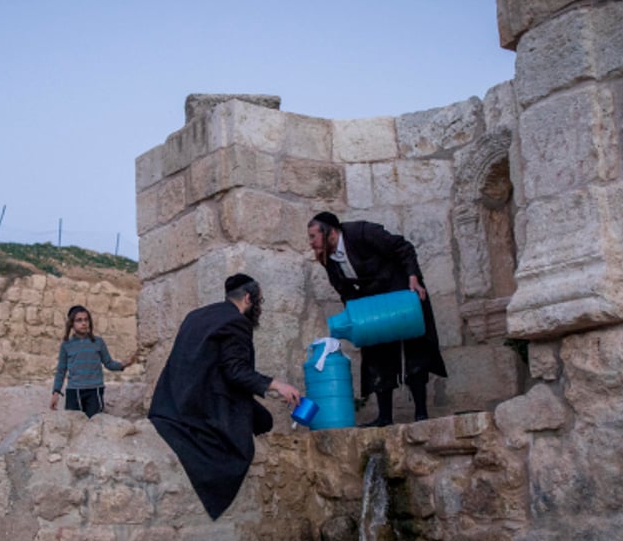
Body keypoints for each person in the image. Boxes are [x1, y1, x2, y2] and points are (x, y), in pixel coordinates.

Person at [148, 273, 301, 520]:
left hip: (172, 400)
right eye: (260, 302)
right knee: (258, 428)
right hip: (202, 404)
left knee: (262, 419)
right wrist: (276, 385)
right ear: (249, 298)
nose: (260, 308)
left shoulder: (197, 315)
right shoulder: (237, 322)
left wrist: (266, 391)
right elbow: (235, 371)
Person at [308, 212, 447, 426]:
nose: (311, 243)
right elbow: (343, 289)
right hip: (372, 304)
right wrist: (357, 316)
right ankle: (384, 417)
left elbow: (403, 247)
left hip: (400, 293)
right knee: (376, 354)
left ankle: (421, 413)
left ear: (330, 232)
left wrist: (413, 278)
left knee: (415, 350)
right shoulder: (328, 258)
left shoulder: (362, 233)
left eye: (313, 236)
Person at [50, 304, 136, 417]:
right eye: (79, 320)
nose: (84, 323)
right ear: (72, 324)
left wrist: (123, 364)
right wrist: (56, 392)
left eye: (86, 320)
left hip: (94, 390)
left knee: (94, 424)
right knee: (74, 425)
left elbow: (108, 363)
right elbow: (61, 370)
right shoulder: (66, 345)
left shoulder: (98, 342)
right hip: (74, 391)